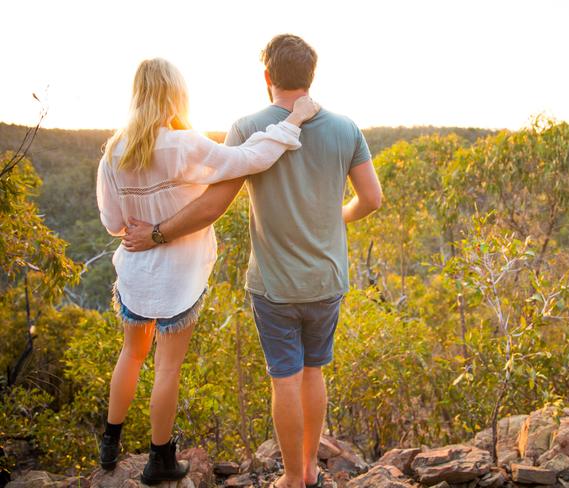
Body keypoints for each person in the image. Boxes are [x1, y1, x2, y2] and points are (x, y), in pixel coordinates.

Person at [123, 35, 382, 488]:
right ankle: (309, 472)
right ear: (311, 76)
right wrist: (337, 216)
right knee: (314, 371)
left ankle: (291, 479)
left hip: (275, 286)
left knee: (285, 380)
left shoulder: (246, 128)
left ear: (267, 77)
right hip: (327, 279)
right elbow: (372, 199)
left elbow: (211, 206)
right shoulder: (347, 129)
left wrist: (157, 234)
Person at [96, 57, 319, 485]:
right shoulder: (183, 144)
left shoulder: (115, 150)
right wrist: (293, 122)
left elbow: (111, 222)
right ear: (174, 94)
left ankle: (110, 442)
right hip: (178, 276)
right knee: (167, 368)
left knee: (131, 354)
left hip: (136, 275)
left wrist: (140, 225)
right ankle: (159, 459)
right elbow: (249, 159)